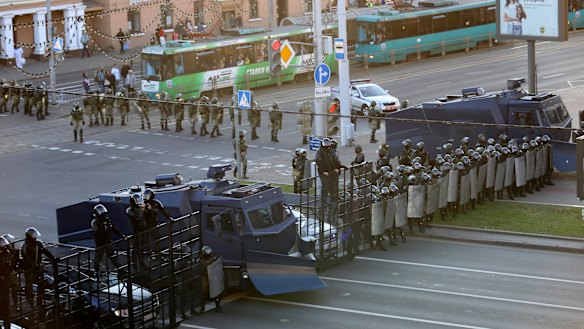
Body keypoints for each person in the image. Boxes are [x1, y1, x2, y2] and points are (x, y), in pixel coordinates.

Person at [20, 227, 54, 308]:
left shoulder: (38, 243)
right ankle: (30, 301)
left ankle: (39, 301)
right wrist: (32, 264)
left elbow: (45, 251)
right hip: (29, 268)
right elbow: (25, 256)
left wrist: (52, 258)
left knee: (41, 283)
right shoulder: (25, 246)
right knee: (29, 286)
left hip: (37, 267)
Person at [92, 204, 127, 273]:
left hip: (108, 242)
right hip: (101, 244)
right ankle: (96, 272)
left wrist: (122, 235)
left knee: (112, 256)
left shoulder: (107, 220)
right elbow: (97, 232)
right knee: (98, 259)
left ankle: (121, 270)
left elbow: (114, 228)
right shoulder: (95, 222)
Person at [143, 188, 172, 256]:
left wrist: (169, 218)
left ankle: (157, 253)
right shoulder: (143, 205)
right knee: (146, 241)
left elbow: (163, 211)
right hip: (146, 226)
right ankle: (149, 254)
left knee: (157, 239)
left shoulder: (156, 203)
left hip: (154, 224)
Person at [126, 194, 148, 271]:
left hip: (143, 230)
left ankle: (141, 264)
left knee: (141, 248)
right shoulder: (130, 210)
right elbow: (137, 218)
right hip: (137, 231)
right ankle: (135, 264)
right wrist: (142, 210)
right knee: (136, 248)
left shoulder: (140, 209)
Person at [200, 246, 221, 312]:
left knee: (216, 293)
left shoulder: (213, 258)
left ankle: (218, 306)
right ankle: (202, 307)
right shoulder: (201, 260)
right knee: (203, 292)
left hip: (212, 276)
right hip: (204, 276)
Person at [316, 138, 335, 208]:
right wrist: (323, 171)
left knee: (330, 185)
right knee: (325, 185)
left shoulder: (328, 151)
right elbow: (319, 162)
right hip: (323, 172)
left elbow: (331, 160)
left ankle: (329, 200)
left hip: (329, 171)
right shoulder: (320, 151)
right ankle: (323, 202)